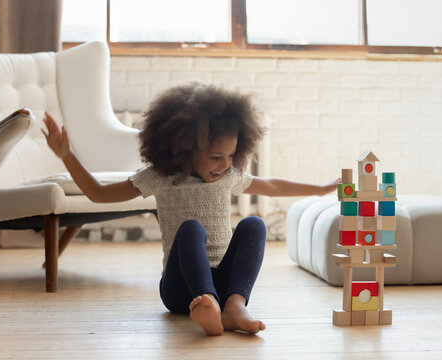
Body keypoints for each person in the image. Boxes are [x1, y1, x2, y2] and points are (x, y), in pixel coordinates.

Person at [42, 82, 339, 336]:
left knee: (254, 225)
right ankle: (206, 304)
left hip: (222, 284)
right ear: (185, 148)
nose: (224, 164)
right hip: (179, 290)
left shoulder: (228, 176)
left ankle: (233, 306)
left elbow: (272, 186)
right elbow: (98, 194)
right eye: (215, 157)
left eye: (231, 156)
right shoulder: (161, 177)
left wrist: (322, 189)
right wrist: (67, 155)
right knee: (191, 228)